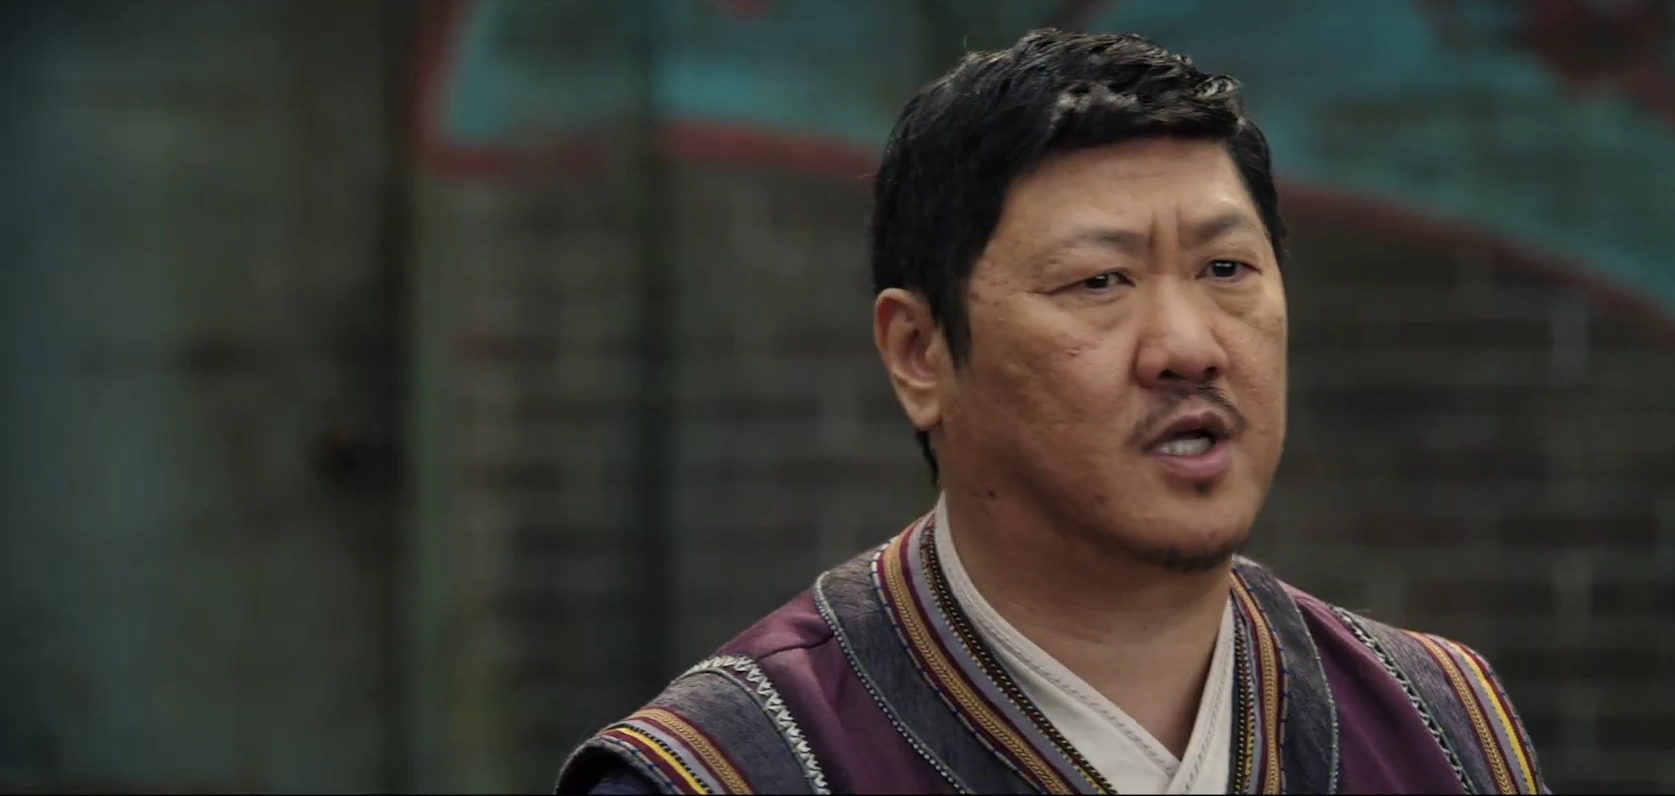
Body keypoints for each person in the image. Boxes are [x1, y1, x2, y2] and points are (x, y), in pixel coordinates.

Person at [558, 28, 1547, 795]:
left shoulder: (1441, 733)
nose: (1190, 346)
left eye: (1226, 269)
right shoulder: (741, 765)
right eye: (1100, 280)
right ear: (919, 353)